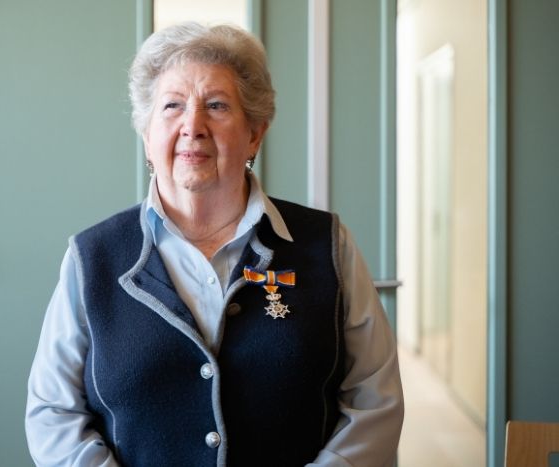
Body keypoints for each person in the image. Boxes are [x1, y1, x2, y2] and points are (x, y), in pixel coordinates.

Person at [25, 22, 403, 466]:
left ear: (255, 133)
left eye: (217, 106)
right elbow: (53, 411)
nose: (193, 126)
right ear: (147, 134)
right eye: (172, 106)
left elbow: (374, 401)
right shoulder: (92, 257)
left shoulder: (327, 244)